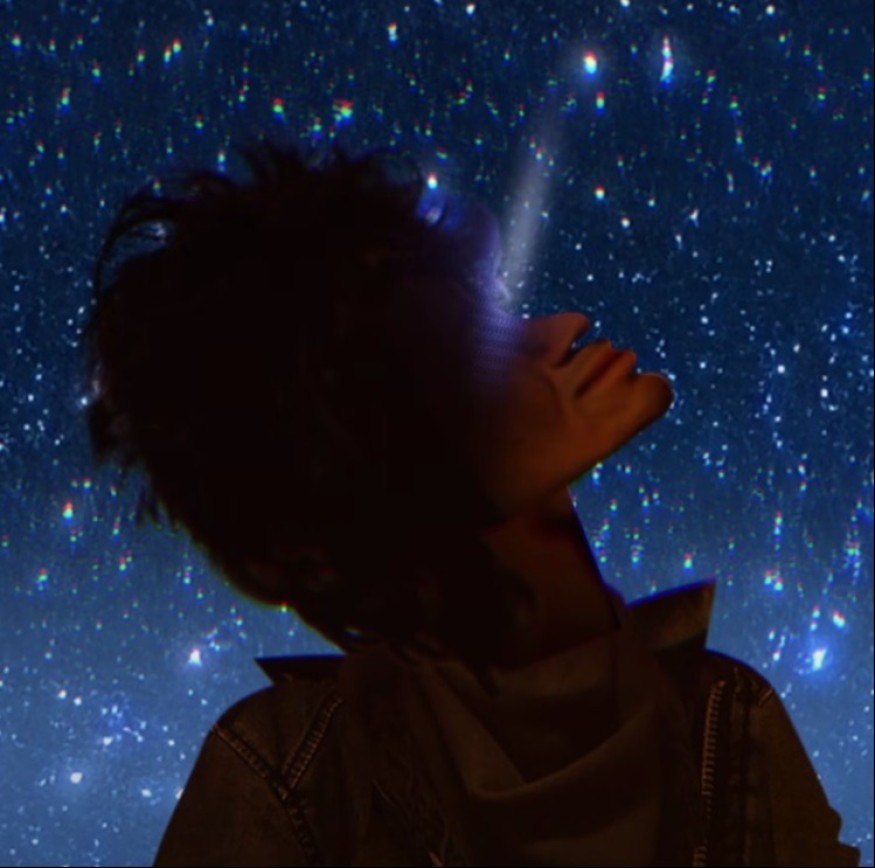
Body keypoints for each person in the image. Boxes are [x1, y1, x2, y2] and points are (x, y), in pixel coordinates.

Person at [82, 142, 860, 866]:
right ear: (382, 461)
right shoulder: (288, 771)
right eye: (474, 346)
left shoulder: (731, 716)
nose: (560, 330)